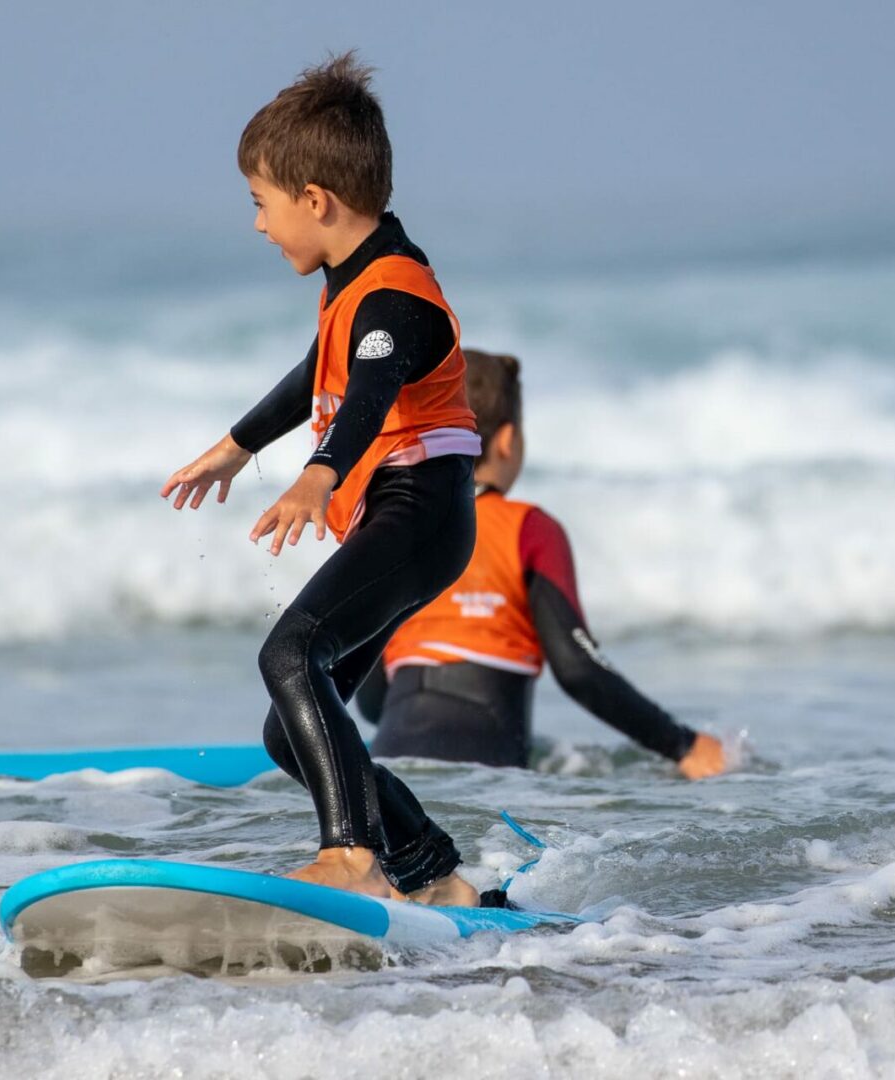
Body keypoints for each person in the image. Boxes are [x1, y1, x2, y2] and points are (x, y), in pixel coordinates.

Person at [162, 54, 485, 904]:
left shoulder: (397, 298)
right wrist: (238, 445)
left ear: (316, 200)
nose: (260, 226)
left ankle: (352, 855)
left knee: (291, 651)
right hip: (409, 515)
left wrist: (318, 471)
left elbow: (370, 392)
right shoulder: (358, 281)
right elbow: (321, 372)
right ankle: (433, 872)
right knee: (290, 728)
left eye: (262, 204)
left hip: (419, 511)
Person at [356, 350, 726, 778]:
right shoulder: (530, 529)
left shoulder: (391, 526)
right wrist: (684, 745)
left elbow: (371, 698)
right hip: (486, 776)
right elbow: (580, 670)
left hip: (389, 769)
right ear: (508, 441)